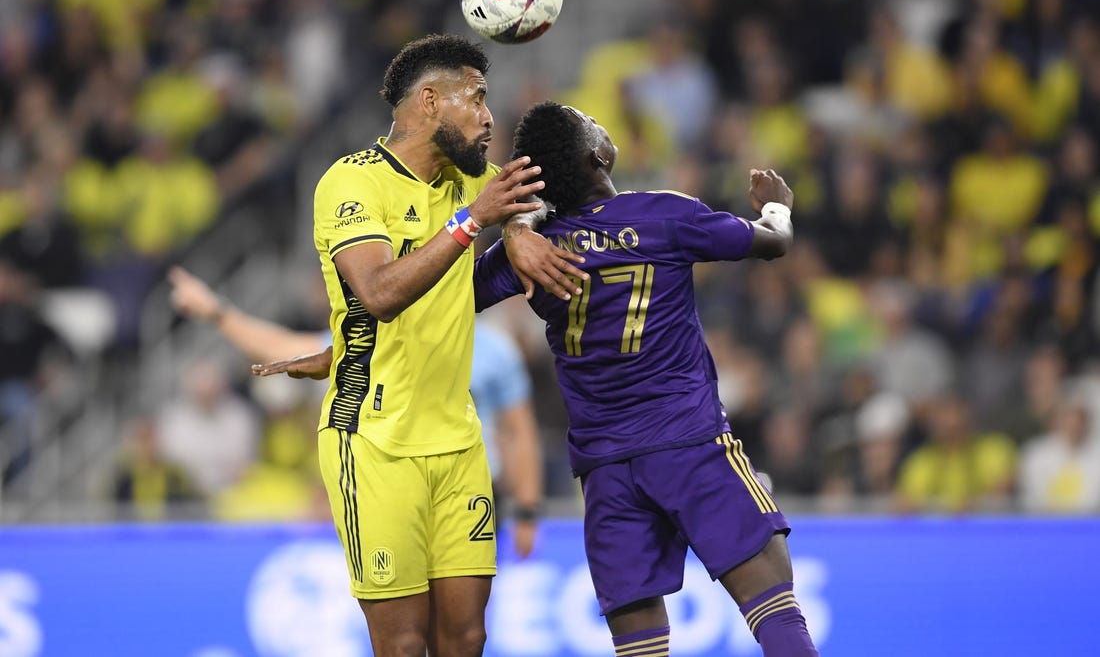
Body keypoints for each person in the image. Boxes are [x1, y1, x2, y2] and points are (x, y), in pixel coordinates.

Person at [257, 101, 818, 655]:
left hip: (605, 471)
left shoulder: (525, 252)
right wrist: (777, 208)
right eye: (592, 122)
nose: (600, 123)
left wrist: (343, 352)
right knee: (773, 606)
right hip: (690, 442)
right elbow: (772, 244)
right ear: (600, 154)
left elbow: (436, 305)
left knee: (641, 648)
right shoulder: (666, 215)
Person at [306, 34, 581, 656]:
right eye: (477, 99)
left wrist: (515, 229)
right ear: (429, 101)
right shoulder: (351, 183)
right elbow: (376, 293)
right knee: (403, 645)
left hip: (458, 442)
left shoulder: (468, 178)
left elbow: (522, 198)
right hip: (374, 440)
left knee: (465, 636)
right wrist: (477, 221)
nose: (489, 118)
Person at [167, 264, 543, 554]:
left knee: (465, 626)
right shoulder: (379, 336)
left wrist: (526, 510)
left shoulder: (493, 349)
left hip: (473, 495)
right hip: (395, 489)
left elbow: (518, 430)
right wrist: (215, 311)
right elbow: (282, 348)